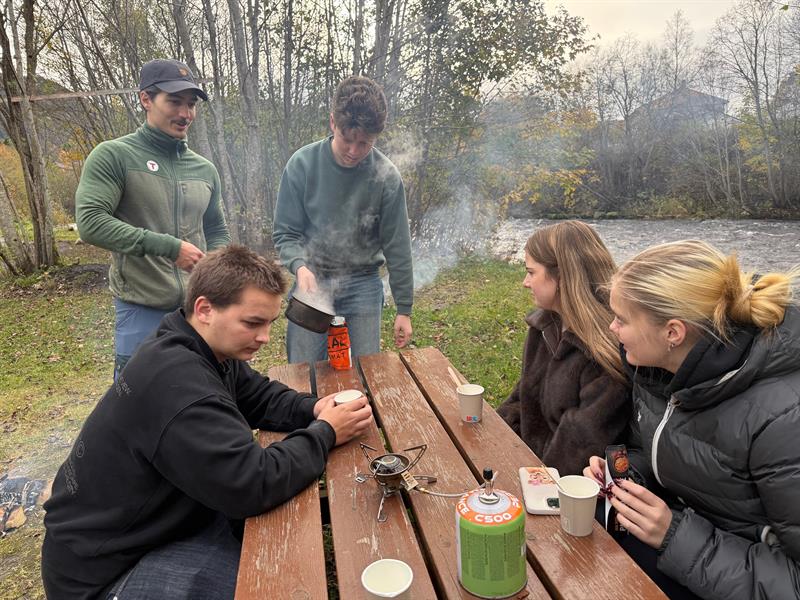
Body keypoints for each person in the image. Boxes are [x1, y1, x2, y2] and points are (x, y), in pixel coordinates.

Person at [41, 245, 373, 600]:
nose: (264, 337)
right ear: (204, 309)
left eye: (269, 324)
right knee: (270, 587)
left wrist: (313, 409)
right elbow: (252, 483)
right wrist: (325, 433)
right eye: (252, 323)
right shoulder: (179, 385)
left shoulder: (197, 345)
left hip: (161, 526)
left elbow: (257, 395)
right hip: (107, 574)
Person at [583, 240, 800, 599]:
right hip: (692, 548)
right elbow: (655, 449)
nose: (611, 329)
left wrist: (674, 535)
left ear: (673, 332)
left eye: (621, 319)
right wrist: (622, 476)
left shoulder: (782, 421)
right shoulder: (661, 372)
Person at [76, 58, 230, 379]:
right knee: (138, 408)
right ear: (146, 99)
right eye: (174, 101)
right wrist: (170, 247)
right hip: (140, 308)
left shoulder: (204, 169)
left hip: (197, 311)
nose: (185, 114)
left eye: (191, 104)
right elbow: (90, 221)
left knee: (201, 399)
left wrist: (217, 267)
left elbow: (216, 227)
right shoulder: (114, 156)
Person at [272, 75, 413, 364]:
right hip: (313, 278)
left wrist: (404, 309)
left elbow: (398, 246)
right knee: (304, 368)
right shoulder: (302, 165)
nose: (353, 151)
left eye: (365, 143)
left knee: (368, 370)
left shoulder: (386, 177)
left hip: (363, 281)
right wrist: (299, 267)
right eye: (347, 140)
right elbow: (285, 233)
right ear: (333, 123)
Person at [496, 221, 630, 476]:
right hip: (527, 463)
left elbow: (579, 446)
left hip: (564, 489)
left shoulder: (604, 351)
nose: (525, 282)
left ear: (562, 276)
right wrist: (491, 436)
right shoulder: (544, 326)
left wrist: (528, 477)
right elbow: (522, 399)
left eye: (531, 272)